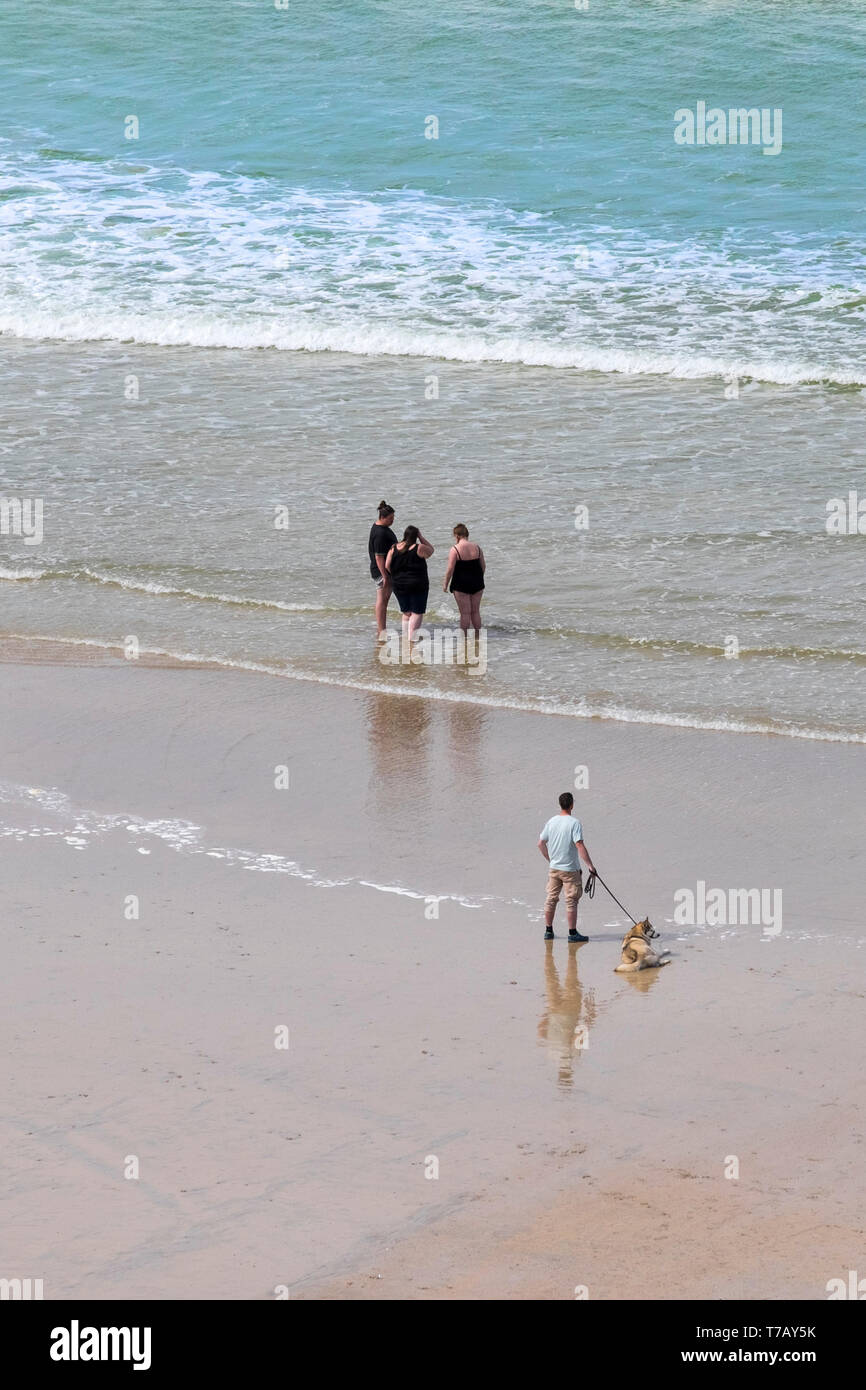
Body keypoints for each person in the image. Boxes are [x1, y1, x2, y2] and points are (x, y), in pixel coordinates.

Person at [537, 792, 597, 943]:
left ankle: (548, 931)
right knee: (571, 900)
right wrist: (590, 866)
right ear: (572, 805)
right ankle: (572, 933)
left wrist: (550, 860)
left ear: (560, 804)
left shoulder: (551, 821)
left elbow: (540, 843)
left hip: (554, 868)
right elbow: (579, 845)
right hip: (570, 870)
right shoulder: (574, 823)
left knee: (551, 898)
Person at [386, 525, 435, 640]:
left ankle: (406, 636)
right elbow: (431, 551)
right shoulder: (419, 548)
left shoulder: (393, 548)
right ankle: (412, 638)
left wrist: (396, 576)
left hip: (398, 585)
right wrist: (421, 537)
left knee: (406, 612)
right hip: (417, 584)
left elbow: (387, 566)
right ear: (415, 536)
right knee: (417, 612)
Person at [442, 523, 485, 635]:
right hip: (477, 583)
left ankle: (464, 637)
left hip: (461, 584)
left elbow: (450, 569)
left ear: (456, 536)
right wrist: (478, 579)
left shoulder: (455, 549)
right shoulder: (477, 548)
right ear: (467, 534)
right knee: (475, 611)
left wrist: (445, 584)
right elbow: (483, 566)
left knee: (465, 613)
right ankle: (477, 636)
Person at [368, 500, 397, 637]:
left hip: (382, 570)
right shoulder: (380, 533)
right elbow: (379, 557)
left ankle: (382, 629)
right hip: (381, 571)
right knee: (382, 600)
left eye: (393, 518)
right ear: (383, 517)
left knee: (383, 600)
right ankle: (381, 629)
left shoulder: (379, 528)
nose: (393, 521)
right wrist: (385, 576)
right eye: (390, 519)